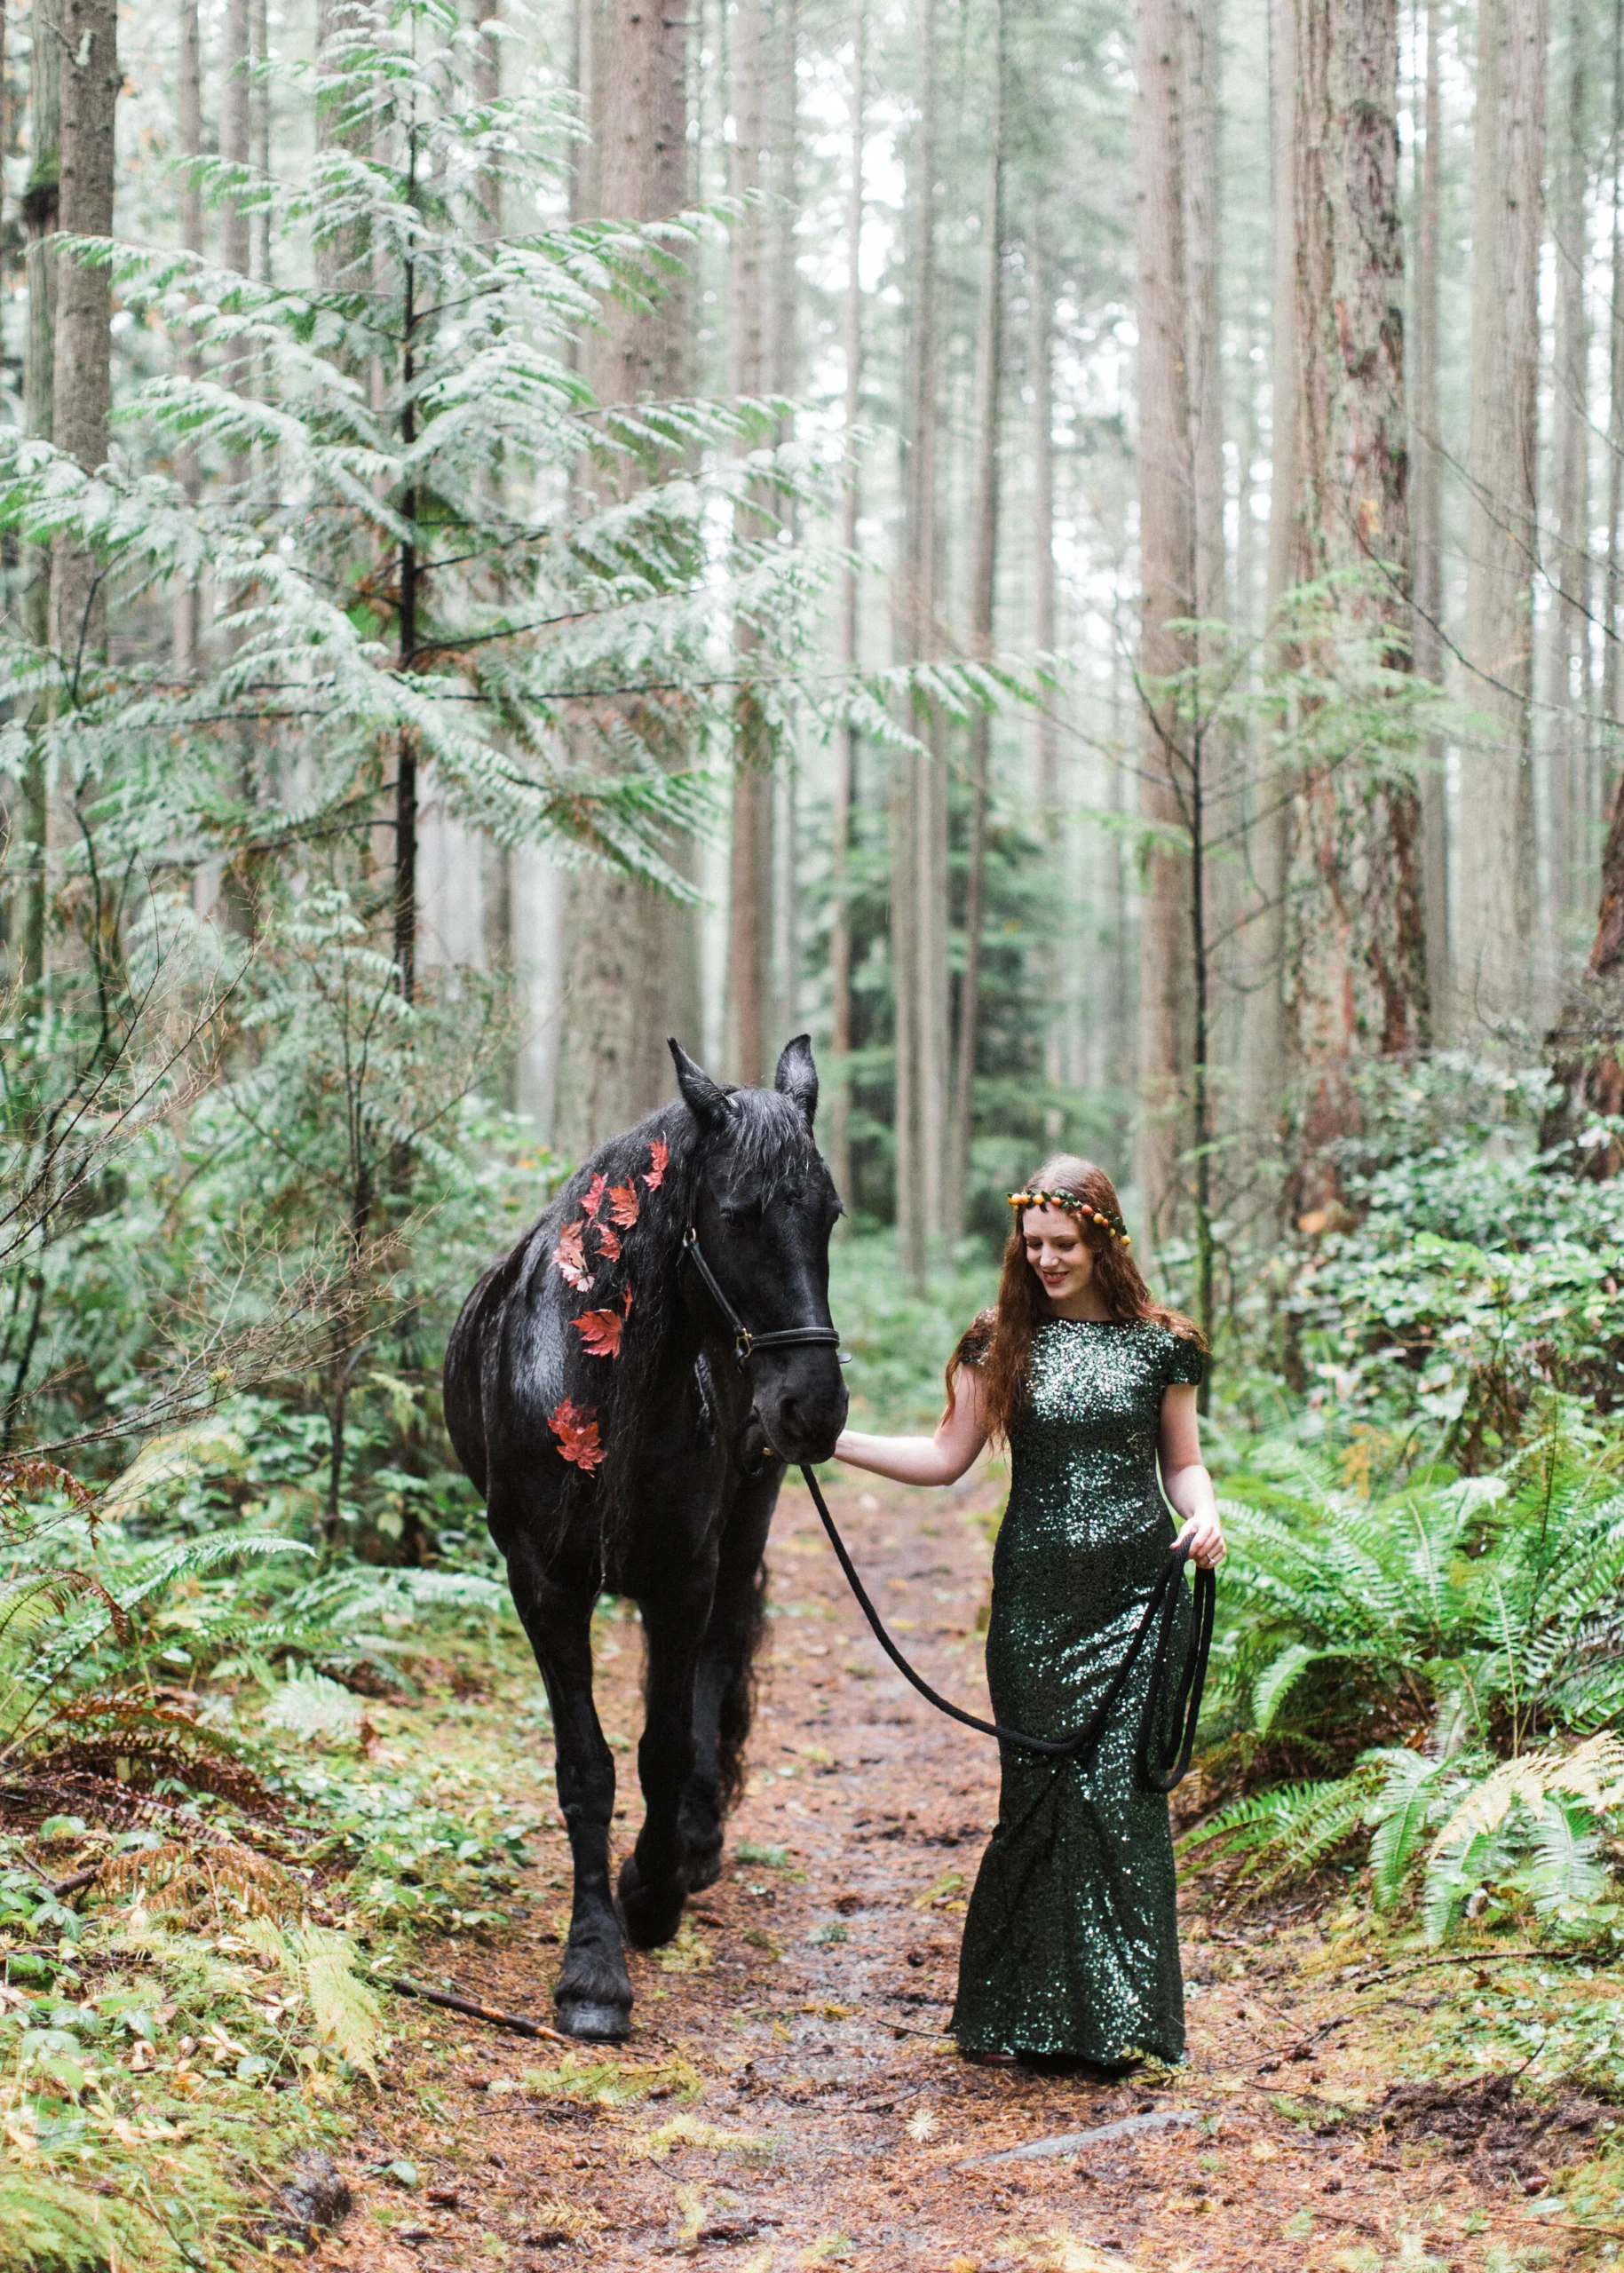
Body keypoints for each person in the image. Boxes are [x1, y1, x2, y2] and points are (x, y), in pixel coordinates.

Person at [831, 1156, 1224, 2075]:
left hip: (1138, 1601)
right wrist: (829, 1440)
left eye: (1064, 1245)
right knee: (1038, 1799)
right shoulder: (999, 1338)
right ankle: (1025, 2017)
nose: (1045, 1259)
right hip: (1035, 1611)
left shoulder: (1162, 1344)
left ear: (1103, 1243)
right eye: (1033, 1243)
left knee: (1118, 1803)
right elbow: (943, 1457)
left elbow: (1182, 1462)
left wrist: (1204, 1514)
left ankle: (1119, 2026)